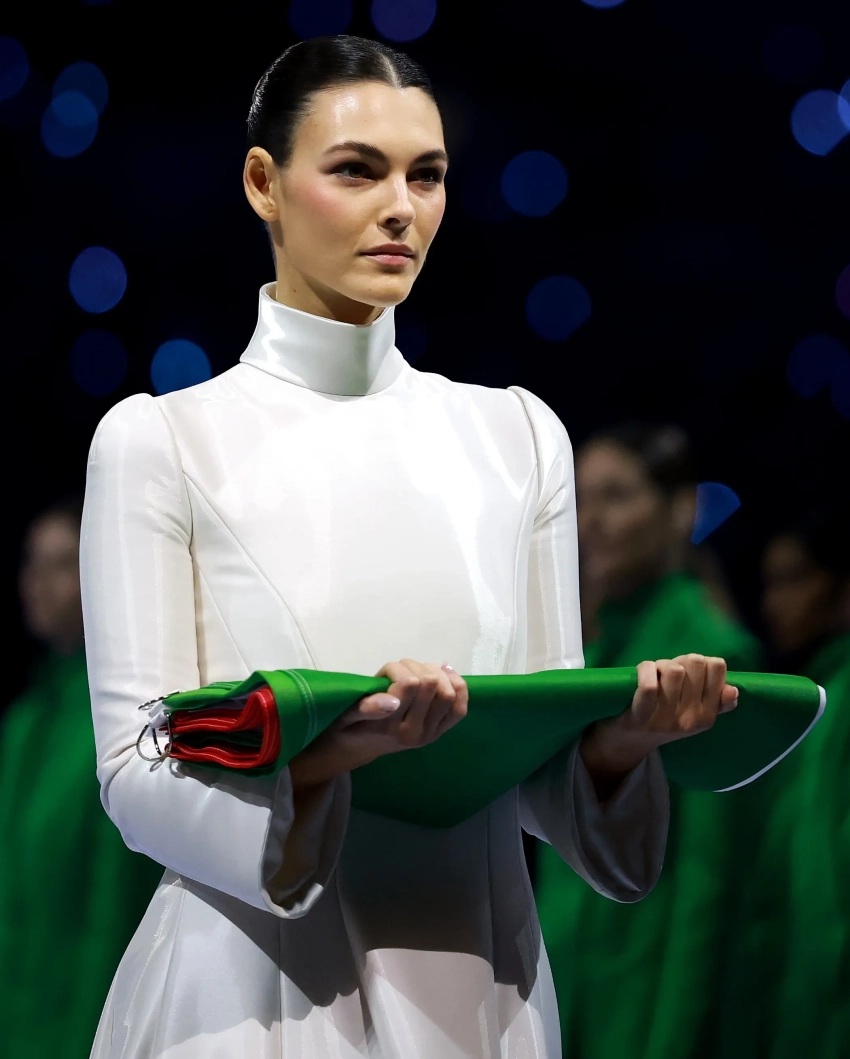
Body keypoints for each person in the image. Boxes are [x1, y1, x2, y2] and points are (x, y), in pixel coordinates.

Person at [81, 37, 737, 1059]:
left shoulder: (519, 437)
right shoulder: (160, 439)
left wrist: (621, 744)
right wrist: (330, 759)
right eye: (356, 170)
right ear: (263, 183)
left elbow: (537, 755)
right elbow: (135, 769)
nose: (400, 207)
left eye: (425, 176)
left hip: (482, 992)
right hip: (250, 999)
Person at [534, 423, 761, 1059]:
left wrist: (678, 1035)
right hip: (567, 984)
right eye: (581, 499)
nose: (590, 522)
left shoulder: (713, 659)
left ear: (681, 508)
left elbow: (710, 884)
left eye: (616, 496)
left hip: (646, 1001)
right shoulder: (589, 653)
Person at [0, 501, 162, 1059]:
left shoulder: (123, 722)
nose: (37, 583)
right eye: (31, 563)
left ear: (100, 571)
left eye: (61, 563)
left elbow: (115, 904)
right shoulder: (25, 722)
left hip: (87, 1022)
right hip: (20, 1015)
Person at [711, 510, 850, 1059]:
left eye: (795, 580)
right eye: (770, 583)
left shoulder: (835, 705)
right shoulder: (817, 698)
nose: (773, 604)